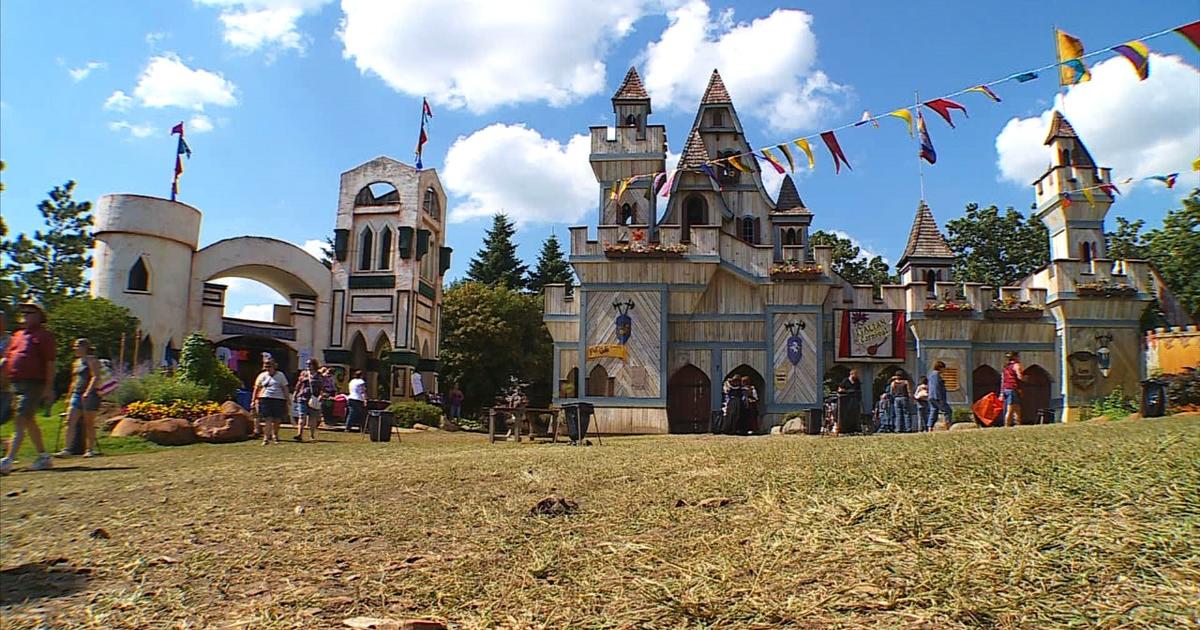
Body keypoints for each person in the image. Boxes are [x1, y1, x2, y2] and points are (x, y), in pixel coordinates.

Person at [1, 303, 56, 474]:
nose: (25, 314)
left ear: (39, 315)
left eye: (29, 312)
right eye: (23, 311)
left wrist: (48, 387)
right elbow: (9, 358)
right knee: (29, 420)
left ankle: (7, 460)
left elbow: (50, 363)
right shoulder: (17, 335)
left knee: (21, 418)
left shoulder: (44, 336)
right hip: (16, 384)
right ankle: (44, 456)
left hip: (34, 383)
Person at [58, 338, 102, 457]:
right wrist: (68, 396)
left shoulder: (92, 361)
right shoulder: (76, 362)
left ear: (84, 347)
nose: (75, 349)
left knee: (88, 422)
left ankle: (90, 449)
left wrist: (88, 391)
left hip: (90, 395)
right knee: (70, 420)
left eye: (77, 346)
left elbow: (95, 377)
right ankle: (67, 449)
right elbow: (74, 381)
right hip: (76, 394)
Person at [252, 358, 289, 445]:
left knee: (277, 419)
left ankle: (275, 435)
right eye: (266, 366)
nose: (268, 368)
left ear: (274, 366)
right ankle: (266, 438)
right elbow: (256, 388)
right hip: (265, 398)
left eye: (270, 366)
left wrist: (287, 399)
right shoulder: (262, 376)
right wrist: (253, 400)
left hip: (278, 399)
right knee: (267, 419)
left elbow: (285, 388)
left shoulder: (280, 375)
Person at [291, 358, 324, 442]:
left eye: (310, 364)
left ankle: (312, 435)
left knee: (312, 417)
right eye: (307, 364)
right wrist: (295, 394)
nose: (308, 366)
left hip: (314, 398)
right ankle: (299, 434)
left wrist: (321, 395)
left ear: (314, 365)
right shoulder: (304, 373)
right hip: (303, 397)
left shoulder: (319, 375)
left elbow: (322, 387)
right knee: (302, 416)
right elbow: (298, 384)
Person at [927, 361, 952, 431]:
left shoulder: (931, 375)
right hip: (937, 396)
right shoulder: (936, 375)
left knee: (933, 411)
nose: (944, 370)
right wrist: (939, 397)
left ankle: (930, 427)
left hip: (931, 396)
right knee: (947, 411)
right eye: (943, 368)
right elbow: (936, 386)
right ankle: (948, 426)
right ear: (940, 368)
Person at [1001, 352, 1025, 427]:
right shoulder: (1016, 365)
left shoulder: (1005, 367)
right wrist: (1026, 378)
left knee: (1017, 408)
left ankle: (1018, 424)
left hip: (1006, 389)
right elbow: (1020, 377)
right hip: (1012, 389)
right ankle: (1007, 425)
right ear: (1015, 357)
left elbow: (1003, 380)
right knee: (1010, 409)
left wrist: (1001, 393)